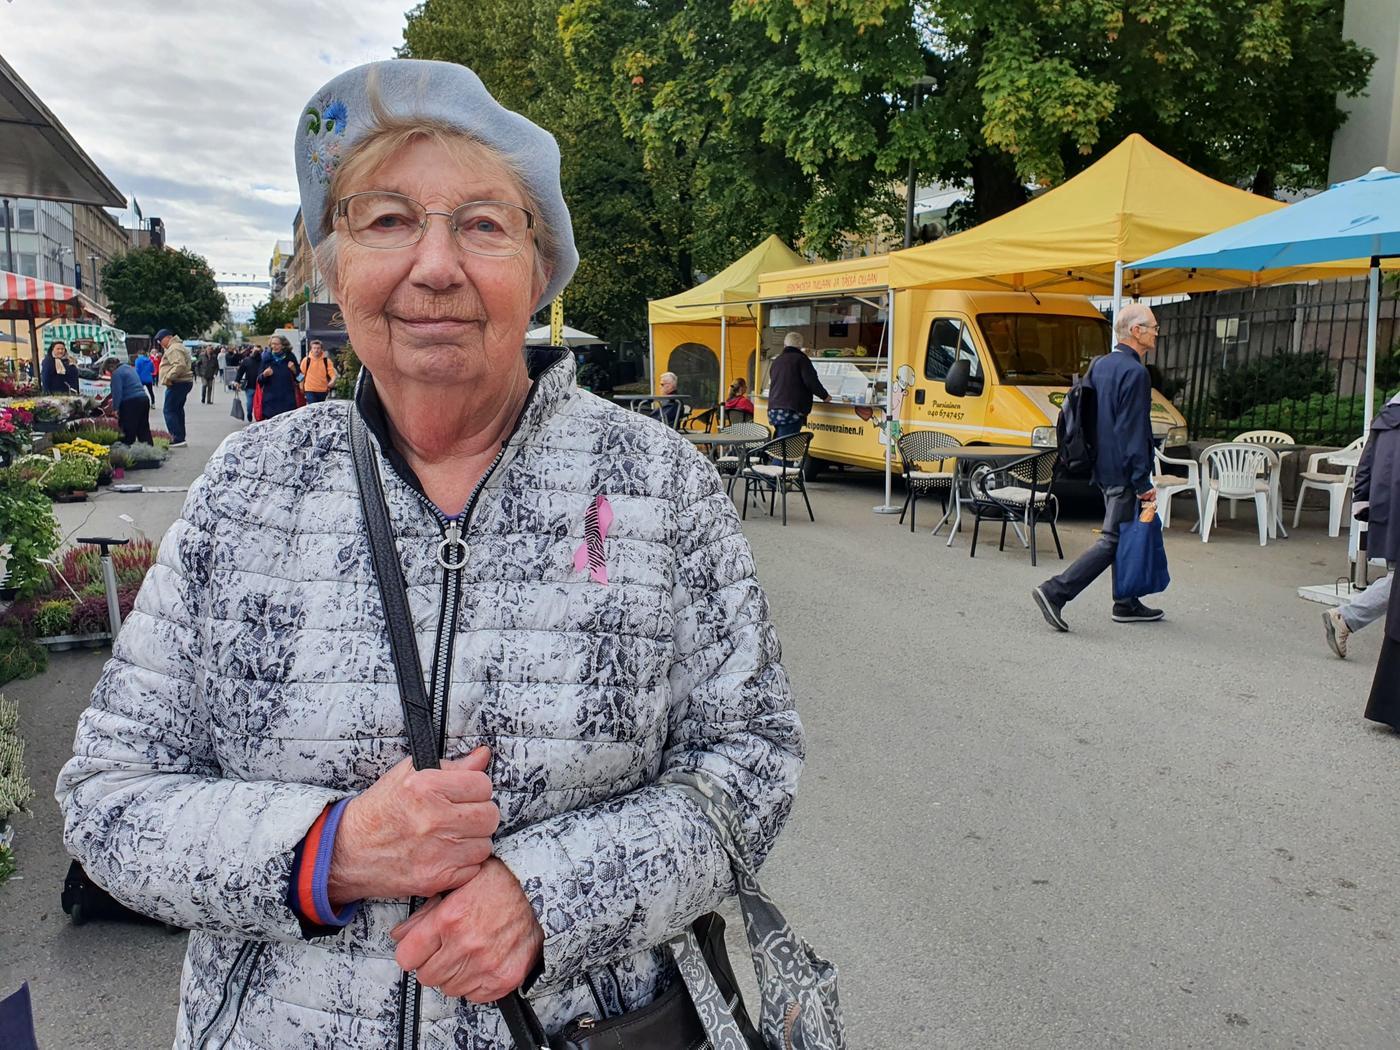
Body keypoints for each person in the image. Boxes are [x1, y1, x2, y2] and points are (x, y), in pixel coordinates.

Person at [57, 57, 803, 1050]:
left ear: (539, 271)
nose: (436, 266)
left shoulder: (657, 486)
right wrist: (329, 853)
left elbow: (751, 763)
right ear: (331, 267)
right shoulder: (247, 491)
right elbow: (109, 803)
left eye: (484, 225)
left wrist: (550, 898)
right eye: (387, 219)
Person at [1033, 302, 1164, 631]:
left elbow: (1087, 415)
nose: (1156, 333)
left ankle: (1126, 601)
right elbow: (1132, 431)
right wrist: (1142, 480)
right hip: (1123, 469)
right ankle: (1056, 591)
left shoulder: (1100, 365)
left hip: (1101, 465)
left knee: (1123, 531)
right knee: (1114, 539)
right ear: (1136, 331)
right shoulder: (1135, 373)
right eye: (1152, 327)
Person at [1350, 391, 1400, 728]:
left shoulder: (1387, 415)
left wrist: (1363, 498)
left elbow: (1366, 464)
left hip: (1391, 512)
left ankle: (1347, 617)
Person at [766, 332, 830, 437]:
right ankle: (779, 453)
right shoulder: (801, 360)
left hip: (774, 409)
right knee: (787, 445)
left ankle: (774, 453)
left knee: (780, 442)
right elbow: (811, 382)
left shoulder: (777, 360)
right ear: (800, 346)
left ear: (784, 345)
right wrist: (825, 396)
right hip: (791, 410)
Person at [155, 328, 193, 448]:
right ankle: (180, 437)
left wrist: (168, 377)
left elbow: (179, 365)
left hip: (178, 382)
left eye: (160, 341)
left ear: (167, 337)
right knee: (177, 410)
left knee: (169, 410)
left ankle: (176, 438)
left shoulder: (174, 348)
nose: (160, 344)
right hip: (183, 382)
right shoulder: (178, 346)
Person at [103, 355, 153, 447]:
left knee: (127, 429)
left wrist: (115, 409)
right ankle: (149, 451)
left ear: (110, 368)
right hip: (144, 399)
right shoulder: (128, 368)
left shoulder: (117, 374)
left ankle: (125, 451)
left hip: (131, 402)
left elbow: (117, 392)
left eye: (108, 372)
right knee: (143, 428)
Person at [256, 335, 301, 419]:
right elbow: (259, 380)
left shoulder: (290, 357)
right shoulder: (266, 359)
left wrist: (294, 370)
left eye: (277, 344)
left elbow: (300, 378)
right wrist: (264, 375)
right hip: (270, 403)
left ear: (283, 345)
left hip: (288, 402)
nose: (274, 346)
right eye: (272, 344)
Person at [300, 339, 338, 404]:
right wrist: (301, 386)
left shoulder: (326, 361)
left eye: (318, 348)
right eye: (314, 348)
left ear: (321, 349)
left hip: (322, 389)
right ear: (311, 349)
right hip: (309, 389)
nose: (316, 350)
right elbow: (301, 374)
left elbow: (332, 374)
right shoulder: (306, 360)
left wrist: (332, 381)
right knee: (312, 407)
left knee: (319, 408)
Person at [235, 345, 263, 421]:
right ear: (252, 351)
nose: (256, 352)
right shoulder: (247, 360)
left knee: (260, 404)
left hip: (261, 386)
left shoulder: (263, 361)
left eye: (258, 351)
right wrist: (237, 381)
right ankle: (249, 413)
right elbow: (240, 372)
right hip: (250, 386)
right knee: (249, 404)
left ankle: (259, 416)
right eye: (255, 351)